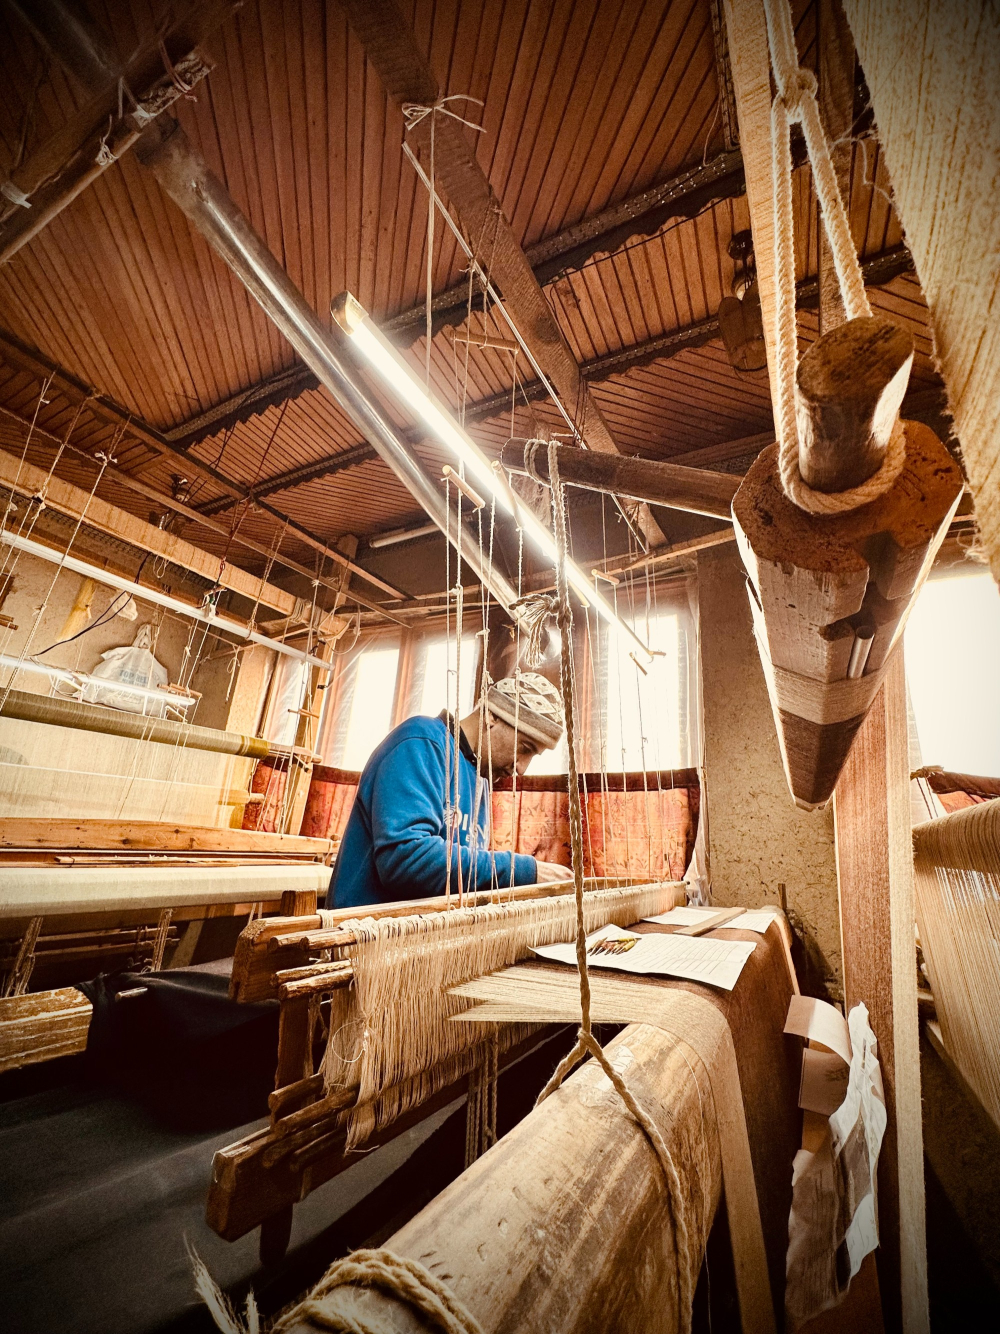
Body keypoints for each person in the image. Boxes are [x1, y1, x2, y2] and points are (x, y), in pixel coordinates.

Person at [329, 672, 573, 908]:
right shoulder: (421, 744)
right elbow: (405, 860)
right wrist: (523, 871)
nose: (522, 768)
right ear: (492, 716)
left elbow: (460, 872)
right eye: (525, 748)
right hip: (364, 940)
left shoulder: (480, 776)